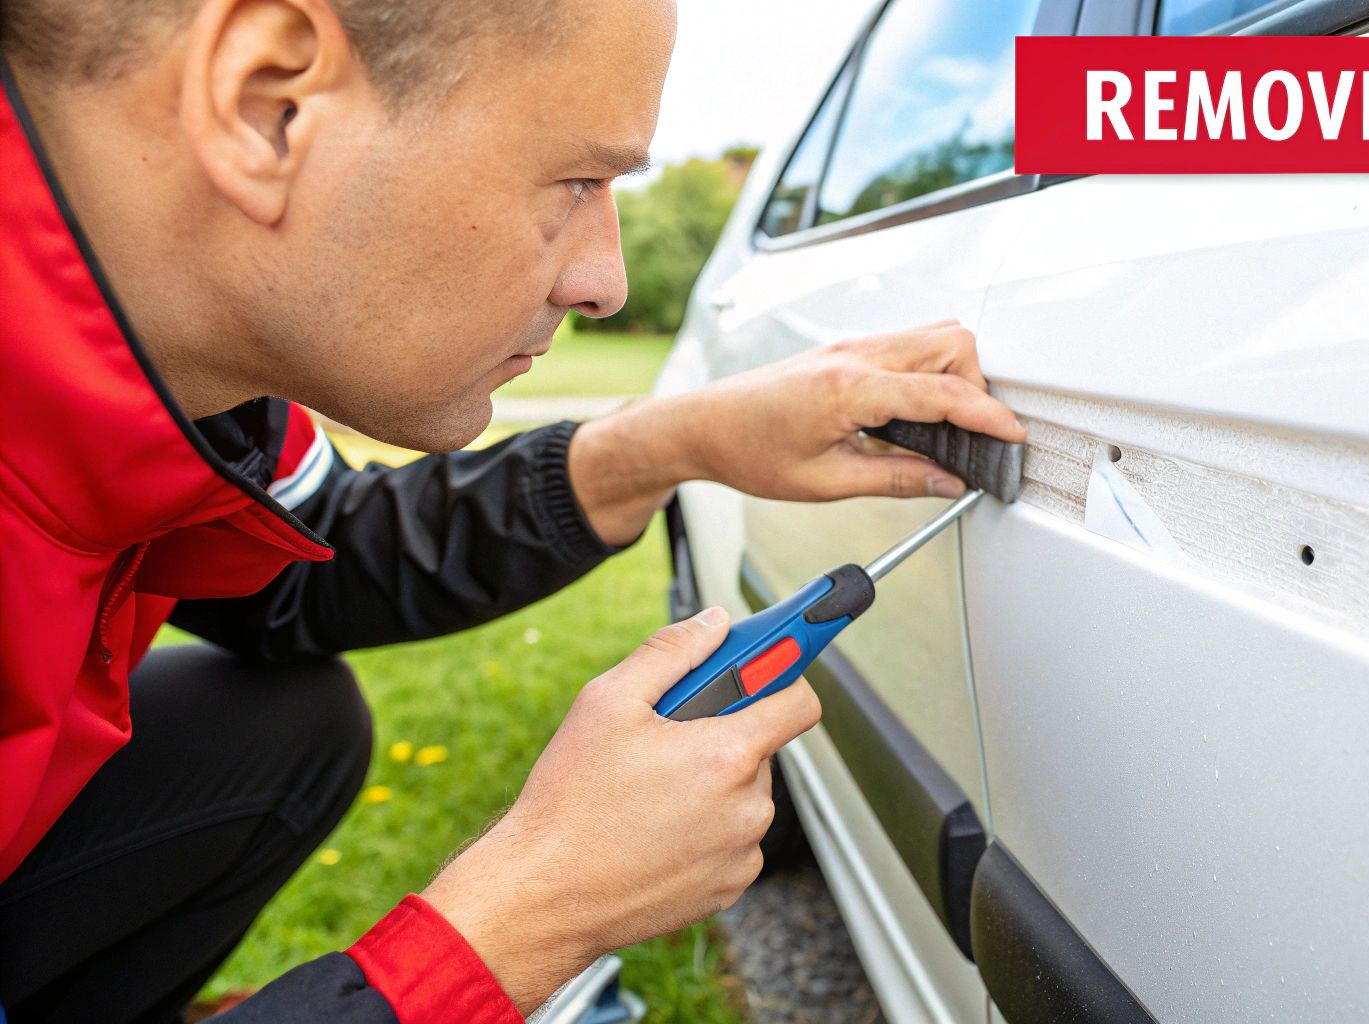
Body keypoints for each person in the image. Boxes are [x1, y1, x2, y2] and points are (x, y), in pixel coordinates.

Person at [0, 0, 1026, 1021]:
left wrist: (674, 442)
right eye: (576, 181)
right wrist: (518, 921)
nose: (606, 283)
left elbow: (309, 571)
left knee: (281, 727)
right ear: (269, 105)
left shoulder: (190, 388)